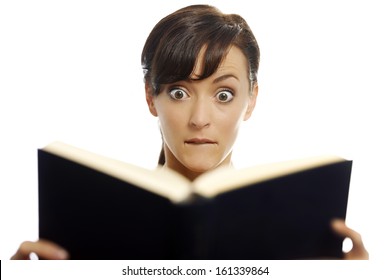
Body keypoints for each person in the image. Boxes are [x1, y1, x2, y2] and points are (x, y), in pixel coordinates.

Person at [11, 4, 368, 260]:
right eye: (178, 92)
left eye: (224, 94)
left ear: (251, 100)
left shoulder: (301, 229)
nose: (199, 119)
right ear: (151, 97)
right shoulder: (87, 219)